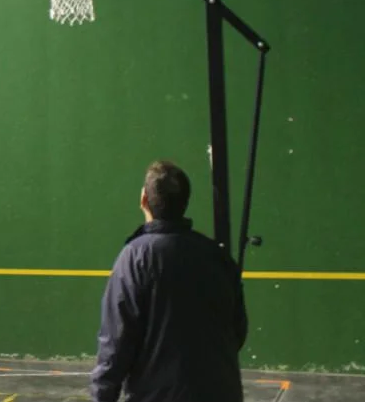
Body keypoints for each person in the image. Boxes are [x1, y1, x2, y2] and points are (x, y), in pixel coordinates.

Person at [90, 160, 248, 402]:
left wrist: (102, 396)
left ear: (144, 199)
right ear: (185, 202)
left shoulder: (134, 257)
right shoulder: (217, 257)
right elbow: (237, 330)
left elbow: (116, 342)